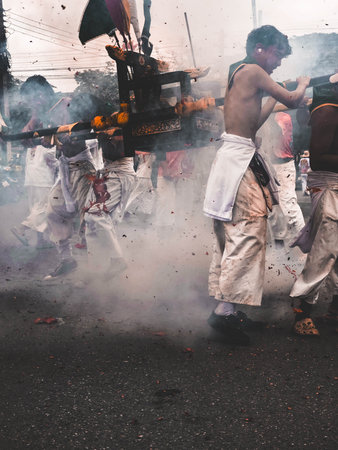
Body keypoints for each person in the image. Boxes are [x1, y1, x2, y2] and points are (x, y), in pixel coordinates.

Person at [203, 25, 310, 345]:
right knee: (247, 232)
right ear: (260, 48)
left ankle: (228, 307)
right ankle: (224, 310)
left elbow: (254, 123)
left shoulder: (240, 72)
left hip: (237, 157)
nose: (278, 63)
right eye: (277, 54)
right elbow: (292, 98)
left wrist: (274, 102)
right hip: (237, 161)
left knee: (234, 233)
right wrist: (303, 84)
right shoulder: (253, 70)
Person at [289, 81, 338, 336]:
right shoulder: (328, 110)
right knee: (325, 250)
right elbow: (318, 157)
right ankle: (302, 310)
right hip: (330, 185)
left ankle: (335, 309)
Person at [11, 75, 57, 249]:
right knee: (46, 204)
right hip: (41, 164)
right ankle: (21, 228)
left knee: (37, 205)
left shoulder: (32, 114)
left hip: (33, 164)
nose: (37, 99)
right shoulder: (41, 114)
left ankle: (41, 241)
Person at [83, 130, 136, 280]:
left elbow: (116, 153)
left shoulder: (122, 128)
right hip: (109, 175)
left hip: (119, 175)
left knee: (96, 215)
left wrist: (103, 137)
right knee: (91, 220)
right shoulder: (111, 127)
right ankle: (96, 269)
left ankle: (117, 259)